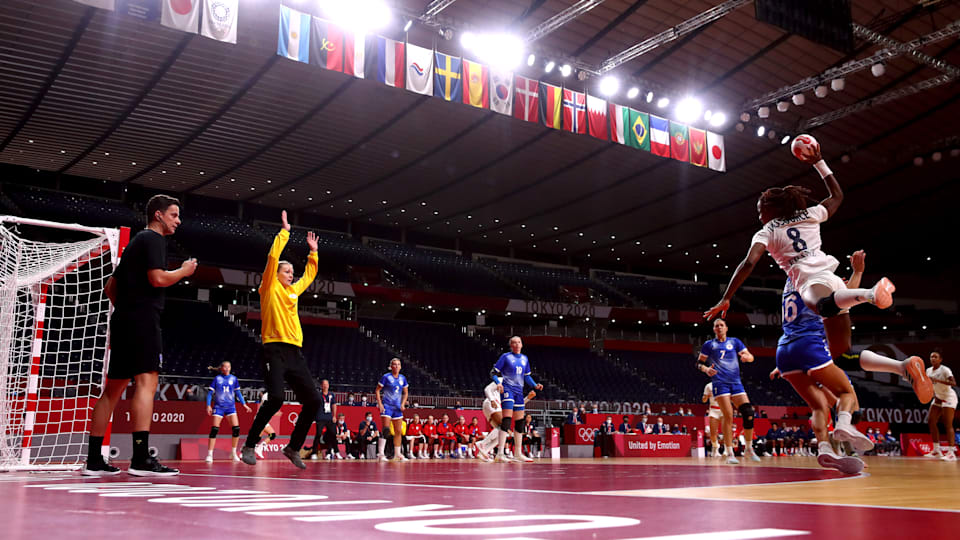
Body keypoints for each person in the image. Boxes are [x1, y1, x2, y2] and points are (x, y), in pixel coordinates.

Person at [704, 148, 933, 406]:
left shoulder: (766, 230)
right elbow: (837, 197)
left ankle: (870, 294)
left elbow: (748, 263)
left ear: (771, 209)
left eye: (760, 210)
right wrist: (819, 163)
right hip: (832, 279)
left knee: (822, 306)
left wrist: (727, 297)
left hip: (812, 282)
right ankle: (902, 367)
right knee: (843, 357)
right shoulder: (810, 214)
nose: (759, 215)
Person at [84, 195, 196, 477]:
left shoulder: (136, 242)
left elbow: (110, 287)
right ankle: (141, 459)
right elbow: (157, 279)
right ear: (158, 215)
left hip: (123, 319)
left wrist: (127, 307)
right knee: (147, 383)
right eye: (173, 215)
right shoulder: (154, 240)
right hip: (144, 319)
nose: (178, 220)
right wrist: (182, 271)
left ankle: (94, 461)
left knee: (112, 391)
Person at [763, 253, 878, 473]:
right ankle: (844, 425)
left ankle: (824, 447)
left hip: (785, 351)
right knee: (847, 394)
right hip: (810, 346)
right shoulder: (816, 281)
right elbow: (845, 303)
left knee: (818, 406)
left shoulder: (791, 281)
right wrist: (858, 271)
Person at [240, 211, 321, 469]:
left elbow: (309, 275)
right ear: (276, 274)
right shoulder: (269, 287)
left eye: (291, 272)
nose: (291, 275)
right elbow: (272, 257)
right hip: (273, 350)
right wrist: (284, 232)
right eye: (287, 271)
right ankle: (250, 445)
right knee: (275, 398)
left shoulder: (293, 292)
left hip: (295, 353)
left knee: (314, 401)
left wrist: (313, 253)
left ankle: (293, 447)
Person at [696, 319, 762, 464]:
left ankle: (749, 448)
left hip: (736, 382)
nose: (719, 327)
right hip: (720, 383)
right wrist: (706, 369)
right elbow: (699, 363)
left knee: (748, 412)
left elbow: (750, 356)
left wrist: (747, 358)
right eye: (716, 326)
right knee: (728, 415)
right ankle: (730, 452)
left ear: (726, 328)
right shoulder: (709, 345)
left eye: (721, 325)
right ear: (714, 329)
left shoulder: (735, 342)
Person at [491, 336, 544, 463]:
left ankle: (518, 453)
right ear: (511, 345)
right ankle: (500, 453)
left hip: (519, 392)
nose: (517, 344)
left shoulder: (525, 358)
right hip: (507, 390)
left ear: (522, 344)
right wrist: (498, 382)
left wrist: (535, 385)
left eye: (519, 342)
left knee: (520, 422)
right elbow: (493, 372)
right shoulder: (505, 357)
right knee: (507, 420)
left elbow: (527, 376)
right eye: (514, 342)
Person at [205, 361, 252, 463]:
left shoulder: (233, 379)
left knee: (236, 429)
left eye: (228, 367)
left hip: (231, 407)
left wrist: (244, 404)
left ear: (230, 368)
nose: (226, 369)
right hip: (219, 407)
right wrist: (208, 405)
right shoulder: (217, 379)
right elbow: (210, 393)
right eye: (225, 367)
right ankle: (209, 454)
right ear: (221, 368)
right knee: (214, 430)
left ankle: (233, 453)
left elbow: (238, 393)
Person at [925, 349, 957, 461]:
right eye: (931, 357)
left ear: (940, 359)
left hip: (948, 397)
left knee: (947, 423)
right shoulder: (928, 370)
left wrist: (937, 380)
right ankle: (936, 450)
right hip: (938, 397)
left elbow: (954, 383)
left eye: (935, 357)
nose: (932, 359)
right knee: (931, 420)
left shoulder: (945, 370)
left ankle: (951, 452)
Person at [376, 358, 409, 462]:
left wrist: (403, 404)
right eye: (394, 364)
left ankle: (398, 454)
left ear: (400, 367)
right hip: (387, 406)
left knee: (398, 431)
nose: (396, 366)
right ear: (391, 366)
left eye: (398, 364)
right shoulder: (386, 377)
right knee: (386, 430)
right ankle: (381, 454)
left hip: (397, 408)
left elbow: (406, 392)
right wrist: (380, 404)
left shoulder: (403, 378)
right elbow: (377, 390)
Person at [304, 379, 336, 460]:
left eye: (327, 384)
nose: (325, 386)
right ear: (321, 386)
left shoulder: (331, 395)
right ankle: (314, 453)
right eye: (324, 384)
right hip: (320, 417)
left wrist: (334, 415)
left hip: (329, 417)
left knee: (332, 434)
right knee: (318, 434)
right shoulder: (318, 395)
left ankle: (329, 452)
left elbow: (334, 405)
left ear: (329, 385)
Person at [702, 382, 723, 458]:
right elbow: (703, 400)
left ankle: (728, 451)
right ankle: (715, 447)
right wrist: (707, 396)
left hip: (724, 409)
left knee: (727, 431)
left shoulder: (726, 383)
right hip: (713, 409)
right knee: (713, 434)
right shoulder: (708, 386)